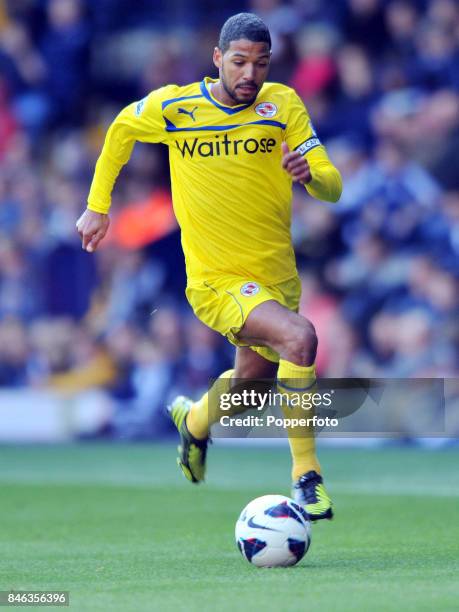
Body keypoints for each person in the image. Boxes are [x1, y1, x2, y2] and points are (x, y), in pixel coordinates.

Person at [77, 13, 342, 521]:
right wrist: (97, 205)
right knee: (301, 339)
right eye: (240, 62)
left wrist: (311, 175)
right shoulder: (176, 107)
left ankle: (195, 421)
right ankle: (307, 477)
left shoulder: (282, 104)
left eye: (260, 64)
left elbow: (333, 185)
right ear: (218, 58)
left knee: (251, 390)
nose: (250, 74)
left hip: (276, 277)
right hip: (215, 281)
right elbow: (119, 130)